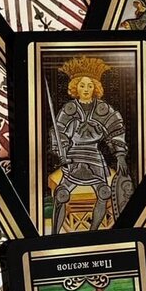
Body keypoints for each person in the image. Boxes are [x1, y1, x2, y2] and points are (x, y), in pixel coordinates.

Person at [49, 56, 128, 233]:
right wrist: (62, 151)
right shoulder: (69, 109)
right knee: (61, 195)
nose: (86, 89)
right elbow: (58, 132)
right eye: (82, 85)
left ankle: (93, 233)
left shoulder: (104, 110)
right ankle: (54, 235)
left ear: (96, 87)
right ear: (75, 87)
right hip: (73, 157)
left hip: (95, 157)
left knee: (104, 193)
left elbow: (116, 130)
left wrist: (120, 156)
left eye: (90, 85)